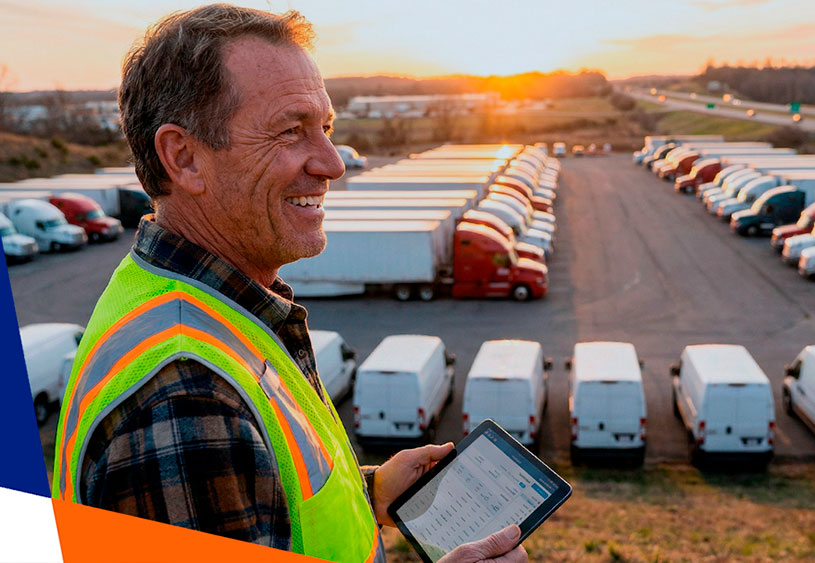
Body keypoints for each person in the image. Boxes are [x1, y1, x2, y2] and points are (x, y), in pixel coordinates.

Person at [50, 5, 526, 562]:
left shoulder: (195, 303)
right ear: (184, 157)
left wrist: (368, 493)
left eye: (324, 128)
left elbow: (258, 502)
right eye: (290, 131)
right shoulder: (187, 398)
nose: (331, 164)